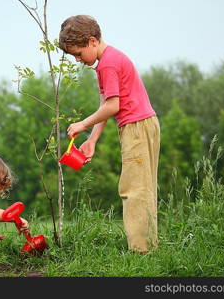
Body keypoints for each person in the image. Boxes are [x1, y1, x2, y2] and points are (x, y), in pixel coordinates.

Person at [59, 15, 160, 254]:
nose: (78, 60)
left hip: (137, 126)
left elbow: (113, 107)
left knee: (134, 189)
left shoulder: (108, 64)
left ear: (92, 41)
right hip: (140, 125)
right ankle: (147, 246)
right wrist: (92, 140)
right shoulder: (106, 62)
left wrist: (82, 124)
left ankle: (142, 251)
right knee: (142, 186)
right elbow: (106, 104)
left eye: (78, 54)